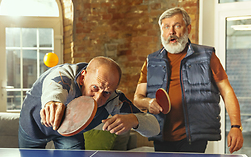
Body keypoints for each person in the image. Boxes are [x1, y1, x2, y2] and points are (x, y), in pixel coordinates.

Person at [133, 7, 244, 153]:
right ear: (162, 31)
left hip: (194, 137)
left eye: (177, 26)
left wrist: (236, 126)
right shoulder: (151, 62)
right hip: (160, 134)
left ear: (188, 28)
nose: (171, 32)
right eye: (166, 27)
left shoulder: (207, 56)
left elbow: (227, 91)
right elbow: (137, 98)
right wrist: (148, 102)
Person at [18, 56, 160, 149]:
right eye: (95, 88)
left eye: (106, 92)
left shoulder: (113, 99)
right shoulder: (63, 75)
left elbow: (155, 128)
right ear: (83, 78)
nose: (98, 99)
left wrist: (134, 120)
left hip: (71, 133)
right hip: (33, 126)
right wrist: (52, 102)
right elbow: (54, 87)